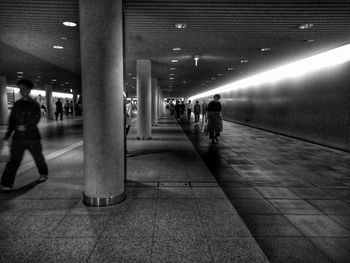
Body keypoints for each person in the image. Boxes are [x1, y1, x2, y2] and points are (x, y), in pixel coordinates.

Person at [0, 79, 48, 191]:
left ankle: (43, 173)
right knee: (13, 160)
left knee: (38, 158)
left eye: (23, 89)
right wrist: (7, 136)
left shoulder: (34, 104)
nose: (21, 91)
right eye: (20, 89)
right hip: (18, 138)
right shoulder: (17, 104)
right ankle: (6, 183)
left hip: (33, 138)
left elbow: (36, 119)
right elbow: (12, 121)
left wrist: (25, 126)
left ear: (29, 90)